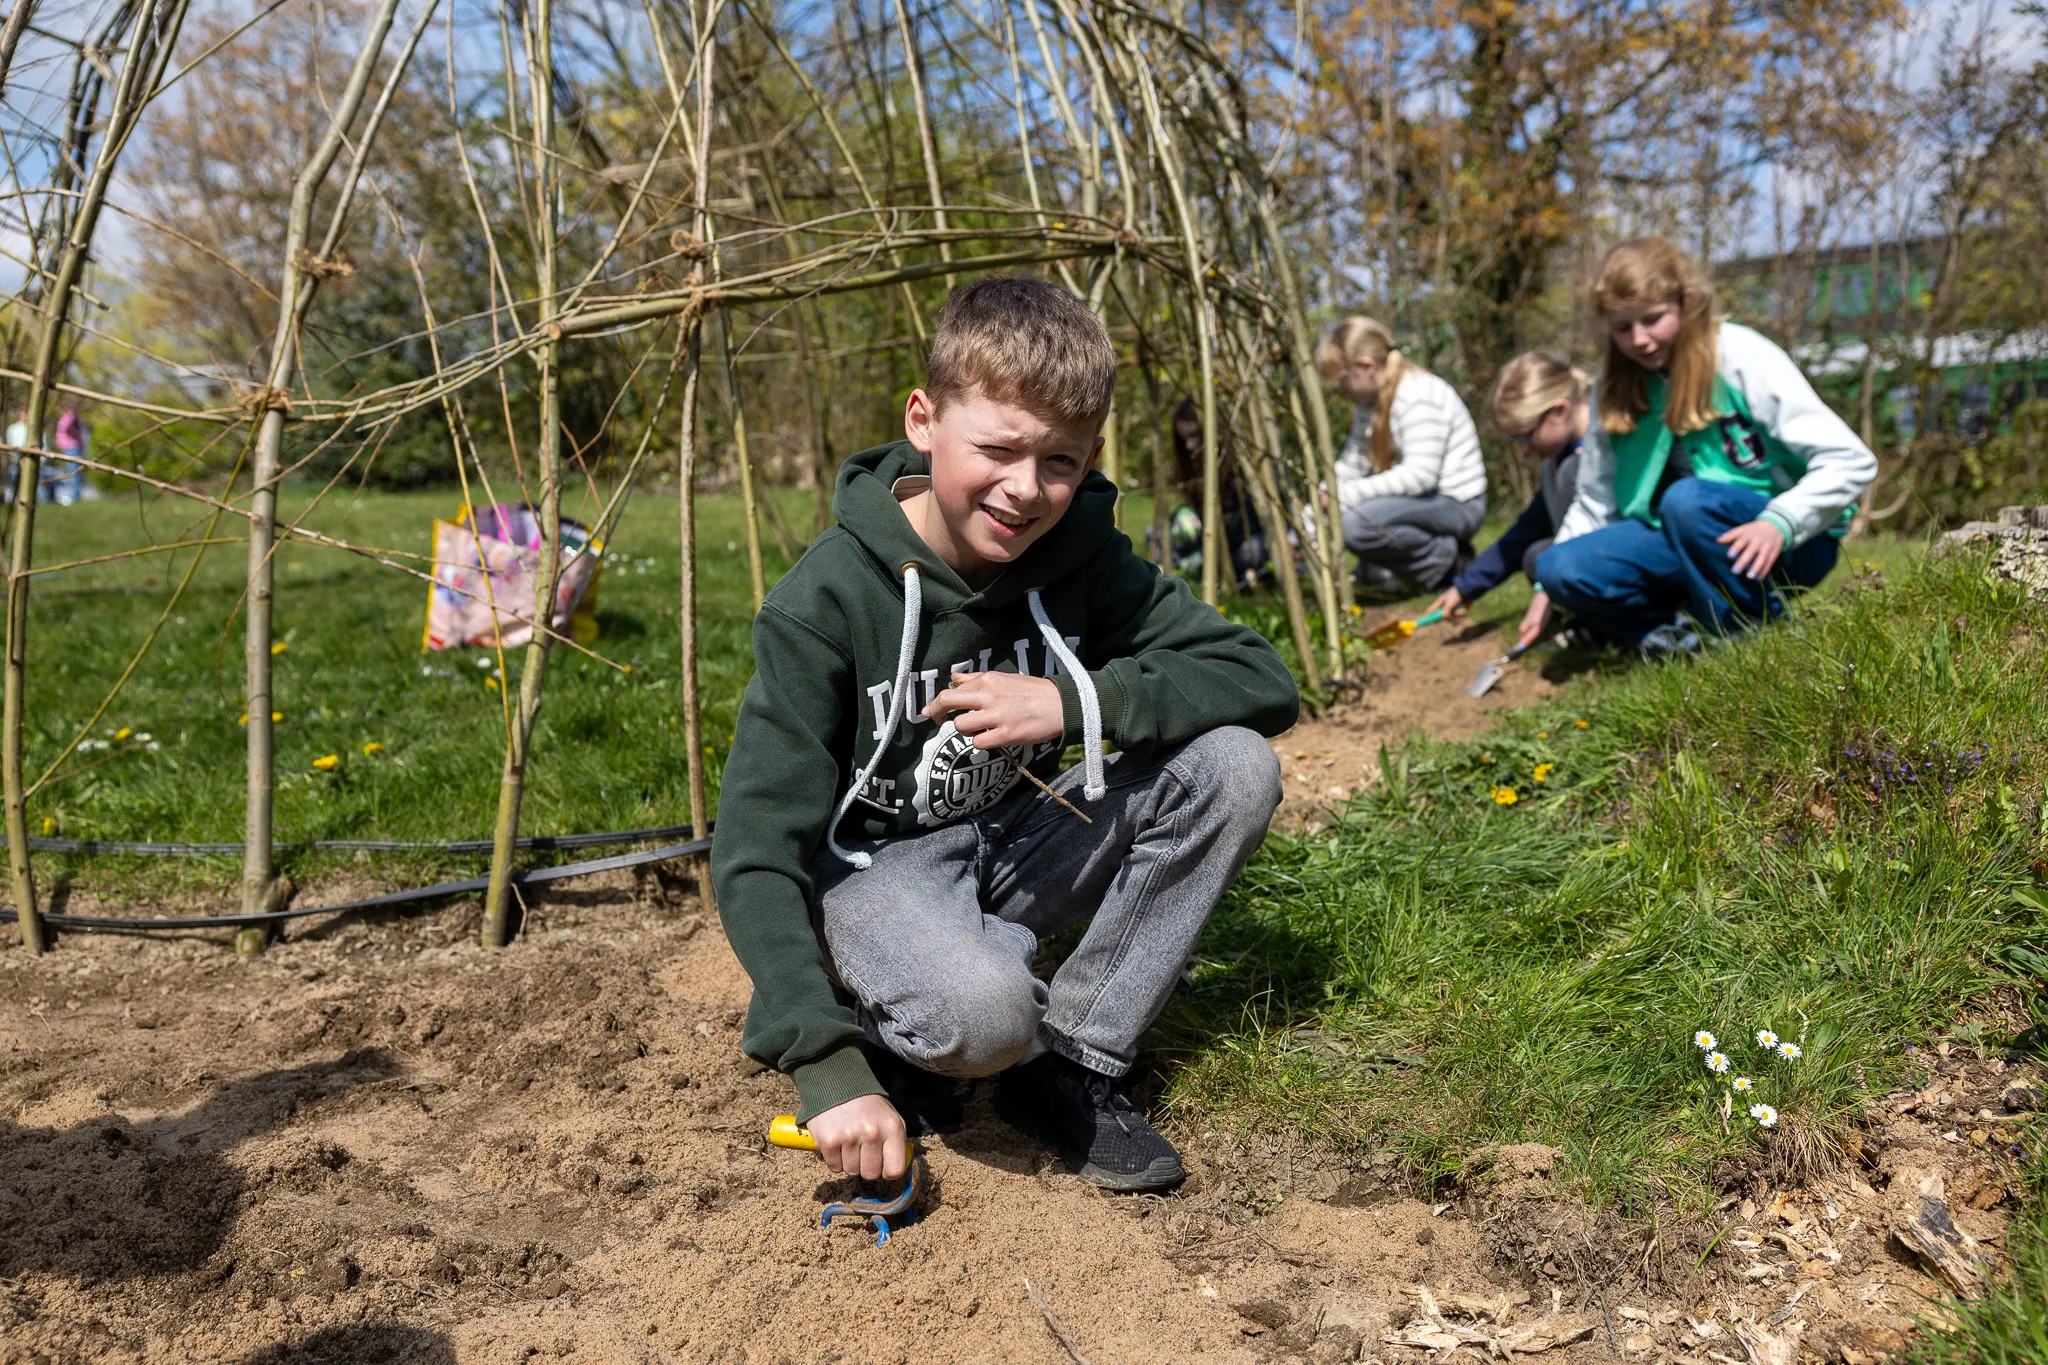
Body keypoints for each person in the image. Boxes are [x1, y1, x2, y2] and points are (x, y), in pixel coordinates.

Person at [711, 278, 1295, 1195]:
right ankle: (899, 1013)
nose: (1026, 490)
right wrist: (823, 1065)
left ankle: (1072, 1060)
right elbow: (753, 851)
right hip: (878, 872)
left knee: (1235, 767)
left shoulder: (1083, 559)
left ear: (1092, 454)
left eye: (1060, 462)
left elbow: (1258, 677)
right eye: (997, 449)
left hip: (1021, 834)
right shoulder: (823, 606)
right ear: (923, 419)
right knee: (981, 1015)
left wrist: (1073, 700)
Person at [1535, 237, 1876, 655]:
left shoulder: (1740, 354)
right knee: (1556, 566)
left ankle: (1749, 634)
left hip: (1787, 537)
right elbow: (1594, 498)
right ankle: (1676, 635)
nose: (1639, 340)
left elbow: (1851, 460)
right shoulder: (1612, 385)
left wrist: (1780, 521)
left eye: (1654, 319)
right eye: (1623, 328)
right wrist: (1546, 590)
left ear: (1685, 303)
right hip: (1684, 536)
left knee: (1688, 501)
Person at [1426, 354, 1596, 649]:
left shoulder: (1595, 456)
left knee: (1541, 558)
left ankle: (1604, 628)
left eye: (1527, 437)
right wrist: (1466, 587)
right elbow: (1525, 532)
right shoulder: (1556, 465)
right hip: (1580, 558)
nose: (1524, 450)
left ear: (1560, 411)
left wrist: (1546, 591)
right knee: (1534, 555)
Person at [1317, 316, 1486, 596]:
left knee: (1357, 524)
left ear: (1367, 366)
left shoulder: (1418, 394)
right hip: (1424, 502)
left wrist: (1343, 497)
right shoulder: (1369, 407)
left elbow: (1420, 476)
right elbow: (1349, 466)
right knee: (1355, 515)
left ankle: (1450, 563)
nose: (1340, 389)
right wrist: (1314, 509)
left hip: (1457, 503)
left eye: (1343, 379)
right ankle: (1393, 570)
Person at [1156, 398, 1265, 589]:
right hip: (1204, 540)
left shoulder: (1236, 467)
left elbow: (1248, 519)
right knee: (1156, 533)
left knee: (1253, 551)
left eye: (1194, 436)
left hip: (1235, 541)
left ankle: (1214, 570)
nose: (1189, 445)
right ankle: (1200, 567)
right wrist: (1184, 514)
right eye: (1184, 439)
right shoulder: (1191, 464)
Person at [48, 409, 88, 505]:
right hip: (70, 447)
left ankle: (75, 497)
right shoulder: (69, 415)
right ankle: (74, 497)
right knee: (72, 472)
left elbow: (67, 428)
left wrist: (73, 435)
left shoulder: (70, 415)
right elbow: (67, 428)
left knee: (74, 473)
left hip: (72, 447)